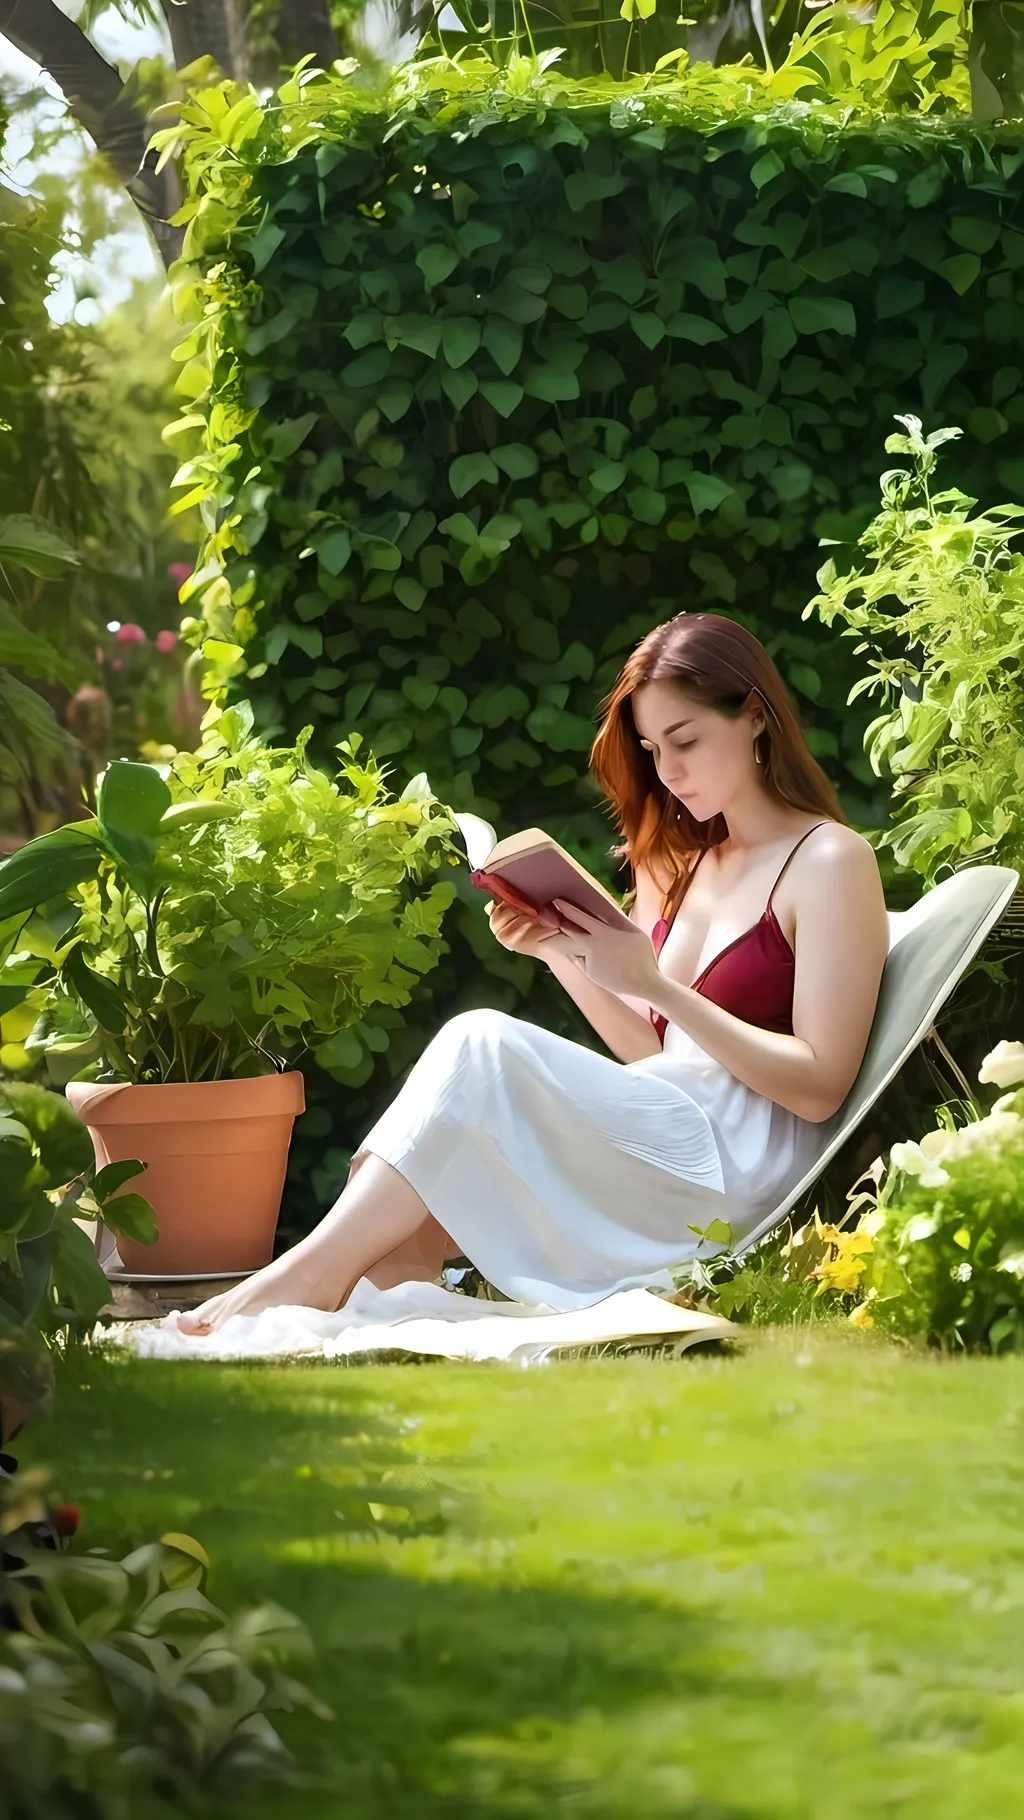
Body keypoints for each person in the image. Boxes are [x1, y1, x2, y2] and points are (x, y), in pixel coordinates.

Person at [178, 611, 887, 1336]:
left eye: (687, 741)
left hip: (733, 1167)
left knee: (480, 1040)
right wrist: (556, 950)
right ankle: (344, 1274)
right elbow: (652, 1050)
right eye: (651, 749)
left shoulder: (830, 861)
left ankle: (308, 1276)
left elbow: (821, 1085)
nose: (667, 773)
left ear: (756, 719)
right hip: (664, 1129)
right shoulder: (682, 861)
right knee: (474, 1062)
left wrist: (656, 986)